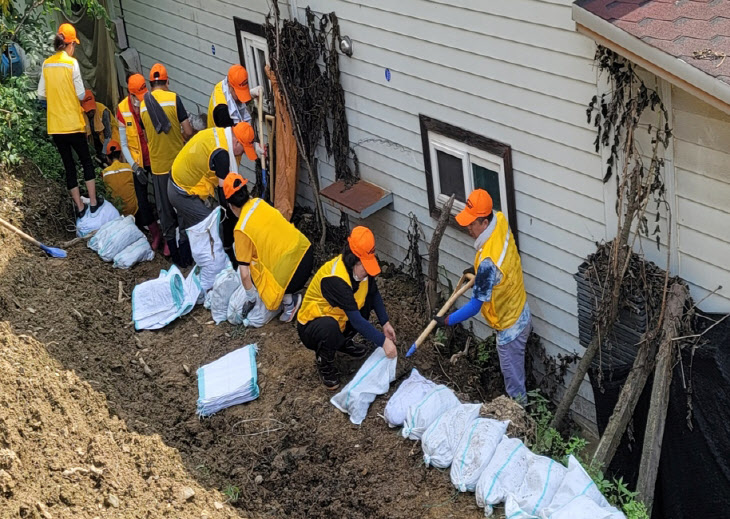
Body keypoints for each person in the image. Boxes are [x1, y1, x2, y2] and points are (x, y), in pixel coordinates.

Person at [433, 189, 532, 402]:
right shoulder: (500, 221)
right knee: (516, 372)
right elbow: (498, 264)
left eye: (472, 224)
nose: (468, 227)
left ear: (484, 223)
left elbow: (474, 306)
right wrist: (479, 273)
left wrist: (447, 320)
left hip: (510, 328)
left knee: (515, 388)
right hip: (520, 310)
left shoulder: (489, 263)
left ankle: (522, 425)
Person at [298, 226, 398, 390]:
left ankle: (342, 342)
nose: (367, 272)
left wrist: (385, 323)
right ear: (354, 260)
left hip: (339, 318)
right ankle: (325, 364)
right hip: (312, 326)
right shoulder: (336, 279)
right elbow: (357, 322)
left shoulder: (361, 272)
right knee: (329, 328)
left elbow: (373, 294)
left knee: (364, 305)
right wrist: (383, 342)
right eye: (364, 266)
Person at [222, 173, 313, 323]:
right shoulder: (259, 203)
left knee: (252, 268)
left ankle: (289, 303)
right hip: (306, 253)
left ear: (230, 205)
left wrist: (251, 299)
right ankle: (289, 296)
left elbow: (244, 275)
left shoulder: (241, 229)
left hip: (292, 276)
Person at [168, 122, 260, 267]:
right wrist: (237, 217)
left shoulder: (222, 135)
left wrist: (256, 148)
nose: (243, 153)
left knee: (188, 224)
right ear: (236, 142)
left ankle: (184, 260)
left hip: (179, 179)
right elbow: (226, 195)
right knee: (210, 229)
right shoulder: (221, 155)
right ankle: (214, 269)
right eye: (243, 149)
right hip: (183, 192)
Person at [37, 23, 101, 218]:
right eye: (74, 45)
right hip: (73, 124)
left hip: (56, 127)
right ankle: (94, 203)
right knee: (86, 162)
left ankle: (80, 208)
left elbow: (41, 94)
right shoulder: (71, 64)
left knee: (69, 166)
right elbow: (82, 95)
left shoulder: (47, 64)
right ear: (70, 44)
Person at [139, 63, 194, 260]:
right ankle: (187, 256)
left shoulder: (143, 105)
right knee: (182, 209)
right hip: (177, 166)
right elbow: (187, 131)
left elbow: (145, 137)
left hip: (158, 168)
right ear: (167, 81)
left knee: (166, 212)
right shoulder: (174, 99)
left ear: (150, 83)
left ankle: (174, 257)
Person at [116, 74, 158, 247]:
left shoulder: (150, 102)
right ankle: (155, 233)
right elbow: (124, 144)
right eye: (137, 97)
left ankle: (168, 233)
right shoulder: (122, 110)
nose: (140, 101)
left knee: (161, 196)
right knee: (142, 200)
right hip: (137, 162)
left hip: (155, 158)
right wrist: (135, 167)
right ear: (130, 94)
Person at [207, 64, 261, 128]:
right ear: (230, 86)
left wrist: (251, 94)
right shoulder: (222, 112)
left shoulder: (224, 85)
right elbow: (232, 136)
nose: (240, 98)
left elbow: (237, 102)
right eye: (239, 93)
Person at [101, 141, 139, 219]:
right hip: (133, 211)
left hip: (116, 212)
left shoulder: (104, 173)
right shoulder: (129, 168)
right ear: (121, 155)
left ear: (108, 158)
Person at [81, 89, 119, 166]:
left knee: (110, 156)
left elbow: (108, 135)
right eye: (88, 111)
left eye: (92, 110)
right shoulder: (82, 114)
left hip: (111, 138)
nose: (90, 112)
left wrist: (104, 152)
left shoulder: (103, 111)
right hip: (96, 139)